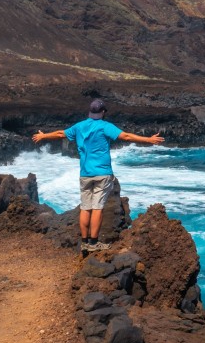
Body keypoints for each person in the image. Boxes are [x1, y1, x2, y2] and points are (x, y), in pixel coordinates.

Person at [32, 99, 164, 251]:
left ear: (90, 112)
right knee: (97, 208)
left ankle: (84, 243)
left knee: (85, 208)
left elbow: (61, 133)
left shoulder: (79, 126)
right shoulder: (105, 126)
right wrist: (149, 139)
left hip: (85, 174)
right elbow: (126, 137)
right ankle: (93, 243)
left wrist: (43, 136)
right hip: (102, 173)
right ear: (103, 112)